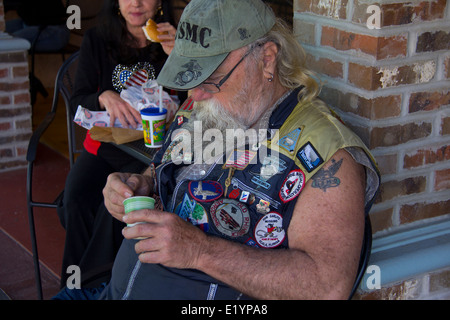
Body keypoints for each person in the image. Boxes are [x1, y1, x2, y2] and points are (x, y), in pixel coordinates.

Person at [56, 0, 380, 300]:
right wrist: (143, 183)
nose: (194, 95)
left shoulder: (329, 157)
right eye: (189, 77)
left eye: (210, 77)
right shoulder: (208, 106)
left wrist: (199, 252)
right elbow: (164, 165)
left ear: (267, 58)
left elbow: (327, 286)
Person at [57, 0, 178, 289]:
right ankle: (74, 286)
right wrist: (103, 96)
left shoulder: (173, 40)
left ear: (160, 2)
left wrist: (178, 57)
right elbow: (78, 101)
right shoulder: (97, 39)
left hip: (152, 150)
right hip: (106, 145)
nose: (135, 3)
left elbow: (191, 102)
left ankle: (99, 288)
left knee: (116, 208)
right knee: (75, 198)